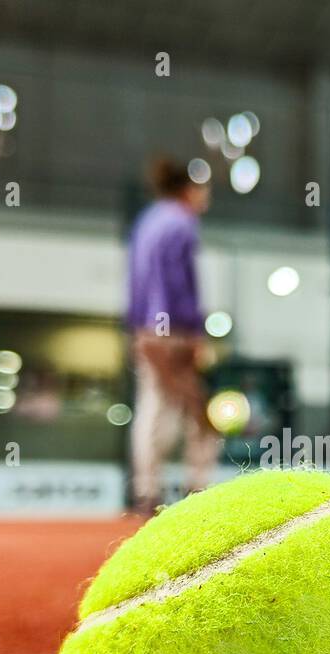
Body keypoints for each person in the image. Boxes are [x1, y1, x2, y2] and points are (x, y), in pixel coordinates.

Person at [126, 157, 219, 514]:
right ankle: (198, 490)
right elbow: (182, 286)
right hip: (173, 331)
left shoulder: (146, 223)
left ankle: (147, 492)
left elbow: (135, 284)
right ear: (188, 190)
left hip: (148, 330)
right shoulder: (182, 224)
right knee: (199, 413)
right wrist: (195, 333)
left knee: (153, 406)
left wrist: (137, 328)